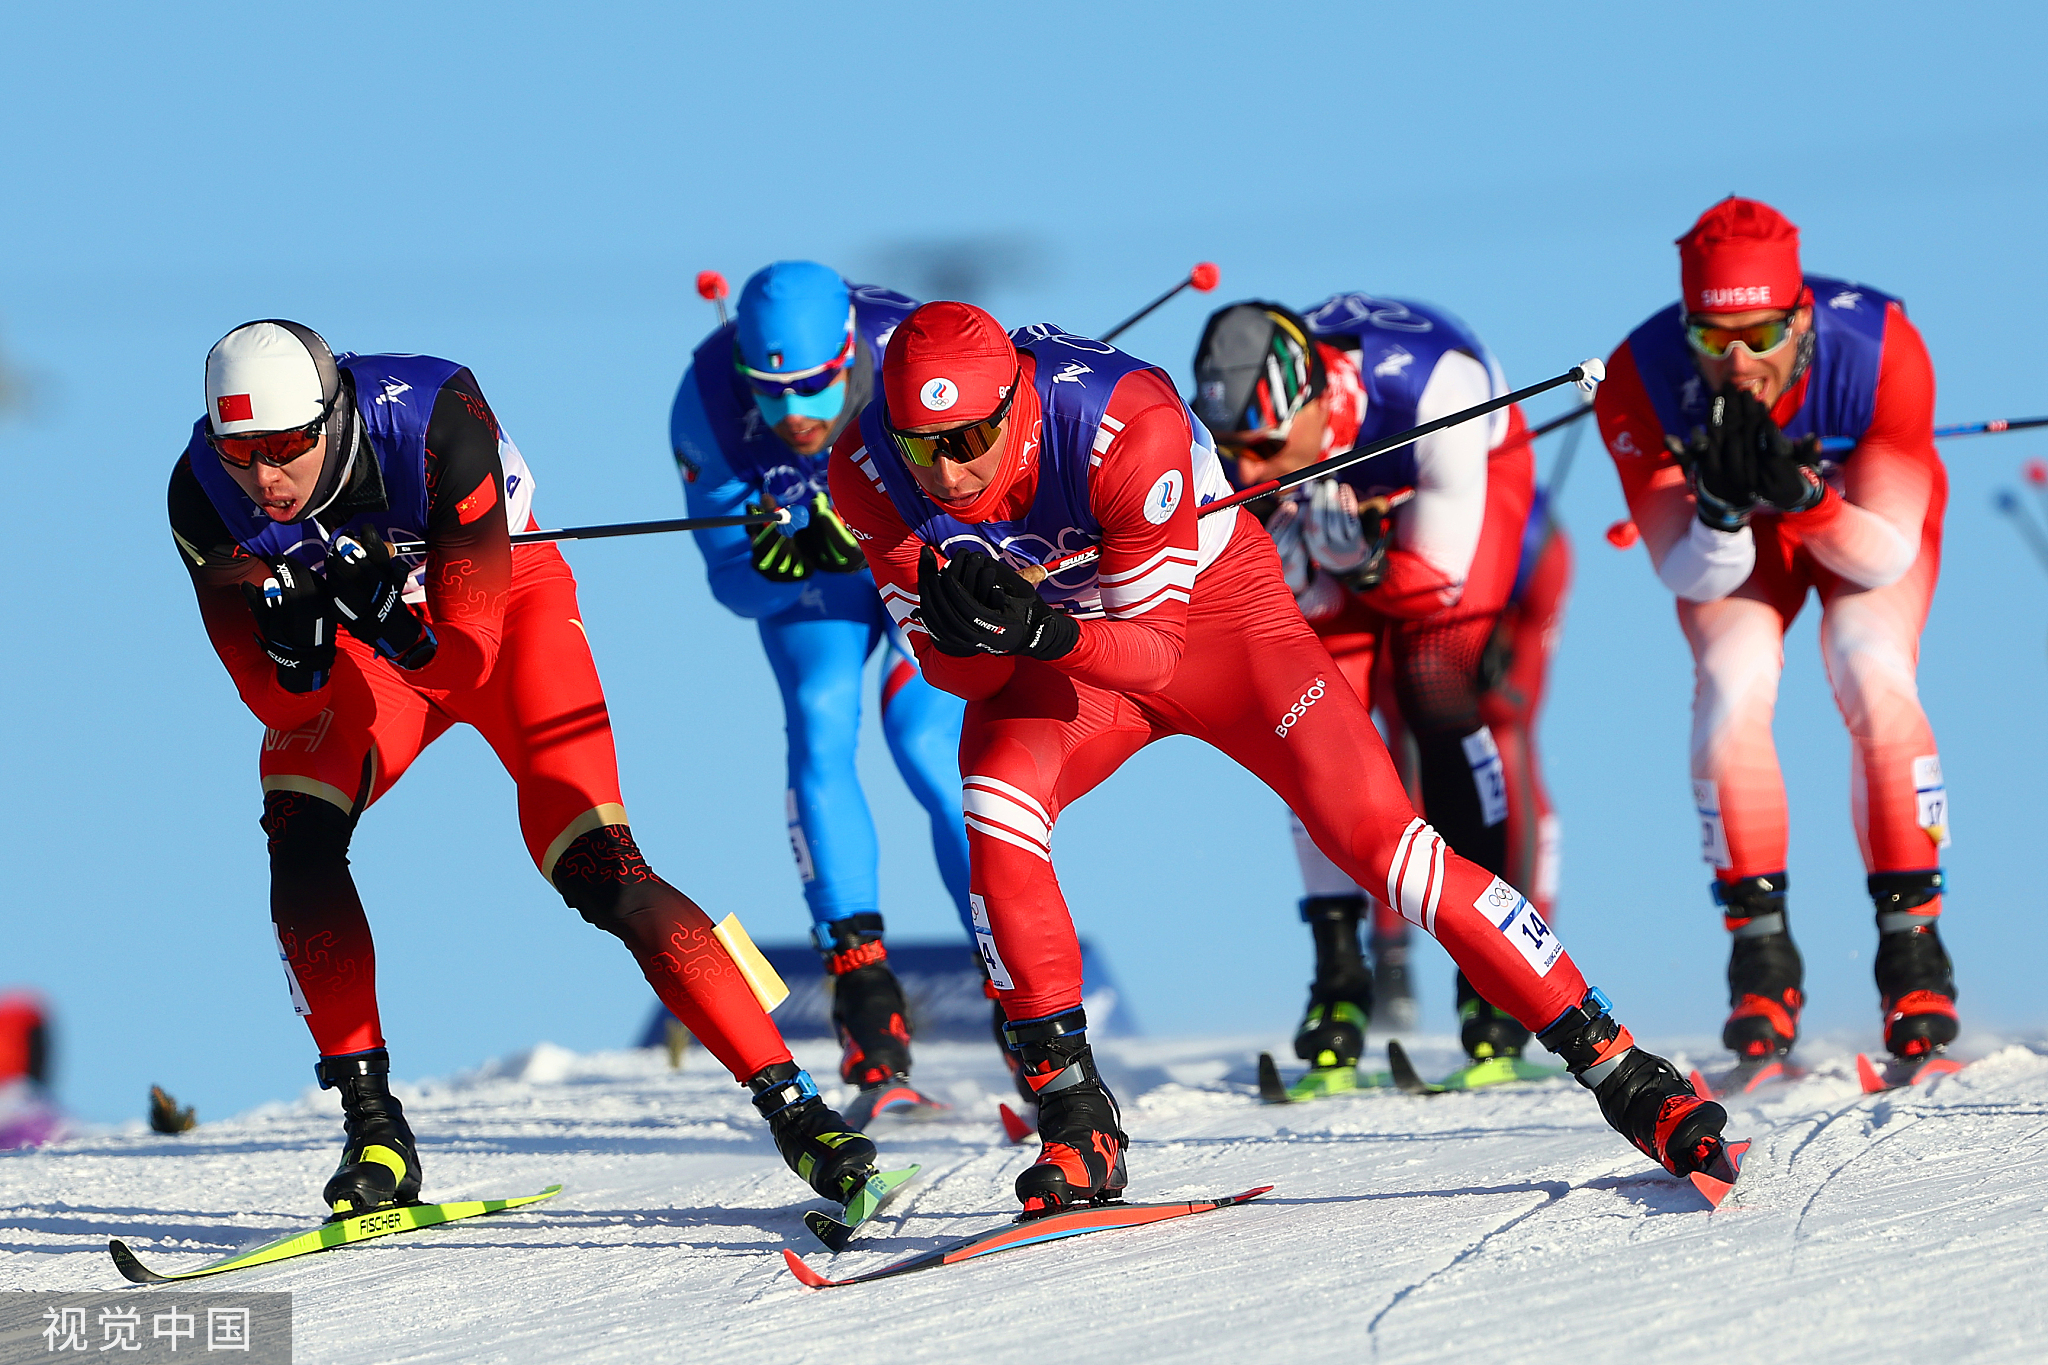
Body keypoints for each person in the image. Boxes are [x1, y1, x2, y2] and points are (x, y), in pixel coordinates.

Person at [828, 300, 1725, 1213]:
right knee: (993, 804)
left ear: (1015, 402)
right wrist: (967, 638)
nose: (947, 470)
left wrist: (1035, 627)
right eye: (921, 444)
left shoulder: (1117, 418)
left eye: (971, 436)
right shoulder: (864, 470)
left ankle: (1627, 1072)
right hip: (1068, 656)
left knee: (1390, 851)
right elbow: (963, 683)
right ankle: (1075, 1118)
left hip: (1219, 629)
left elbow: (1157, 655)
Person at [169, 320, 879, 1218]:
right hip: (370, 649)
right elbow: (276, 704)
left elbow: (465, 657)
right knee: (297, 835)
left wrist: (395, 623)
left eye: (286, 447)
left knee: (602, 869)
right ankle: (373, 1125)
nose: (266, 477)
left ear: (333, 415)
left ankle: (799, 1112)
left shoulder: (433, 414)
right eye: (242, 452)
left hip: (503, 613)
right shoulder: (201, 491)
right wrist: (302, 654)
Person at [1594, 197, 1958, 1072]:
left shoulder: (1879, 352)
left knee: (1870, 665)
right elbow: (1687, 572)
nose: (1741, 362)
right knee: (1731, 684)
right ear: (1688, 330)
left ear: (1800, 318)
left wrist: (1806, 498)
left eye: (1760, 334)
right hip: (1738, 548)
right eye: (1715, 340)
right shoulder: (1638, 377)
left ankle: (1914, 954)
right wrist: (1719, 510)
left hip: (1855, 521)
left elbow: (1883, 556)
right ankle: (1761, 957)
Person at [1189, 298, 1568, 1091]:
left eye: (1260, 448)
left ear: (1316, 404)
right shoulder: (1258, 446)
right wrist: (1299, 565)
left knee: (1436, 687)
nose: (1247, 471)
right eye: (1230, 451)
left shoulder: (1438, 393)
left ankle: (1493, 990)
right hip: (1345, 513)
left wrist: (1363, 567)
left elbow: (1437, 585)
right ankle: (1340, 978)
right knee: (1304, 714)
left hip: (1465, 491)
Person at [669, 262, 976, 1116]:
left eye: (813, 386)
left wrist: (911, 529)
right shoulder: (705, 404)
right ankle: (864, 995)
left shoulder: (910, 351)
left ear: (849, 352)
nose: (795, 415)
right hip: (825, 584)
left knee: (924, 738)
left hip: (921, 560)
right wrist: (778, 559)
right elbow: (733, 585)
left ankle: (1013, 974)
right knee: (819, 716)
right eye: (771, 393)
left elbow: (993, 494)